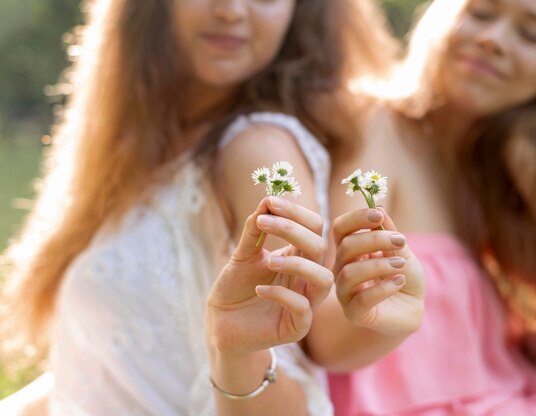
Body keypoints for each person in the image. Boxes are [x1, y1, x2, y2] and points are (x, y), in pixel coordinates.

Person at [0, 0, 397, 414]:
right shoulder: (138, 154)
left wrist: (240, 356)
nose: (230, 10)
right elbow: (102, 377)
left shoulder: (258, 152)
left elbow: (284, 389)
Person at [325, 0, 536, 414]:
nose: (493, 41)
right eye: (481, 14)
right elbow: (324, 328)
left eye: (532, 35)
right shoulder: (377, 128)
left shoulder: (492, 176)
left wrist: (534, 169)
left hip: (505, 398)